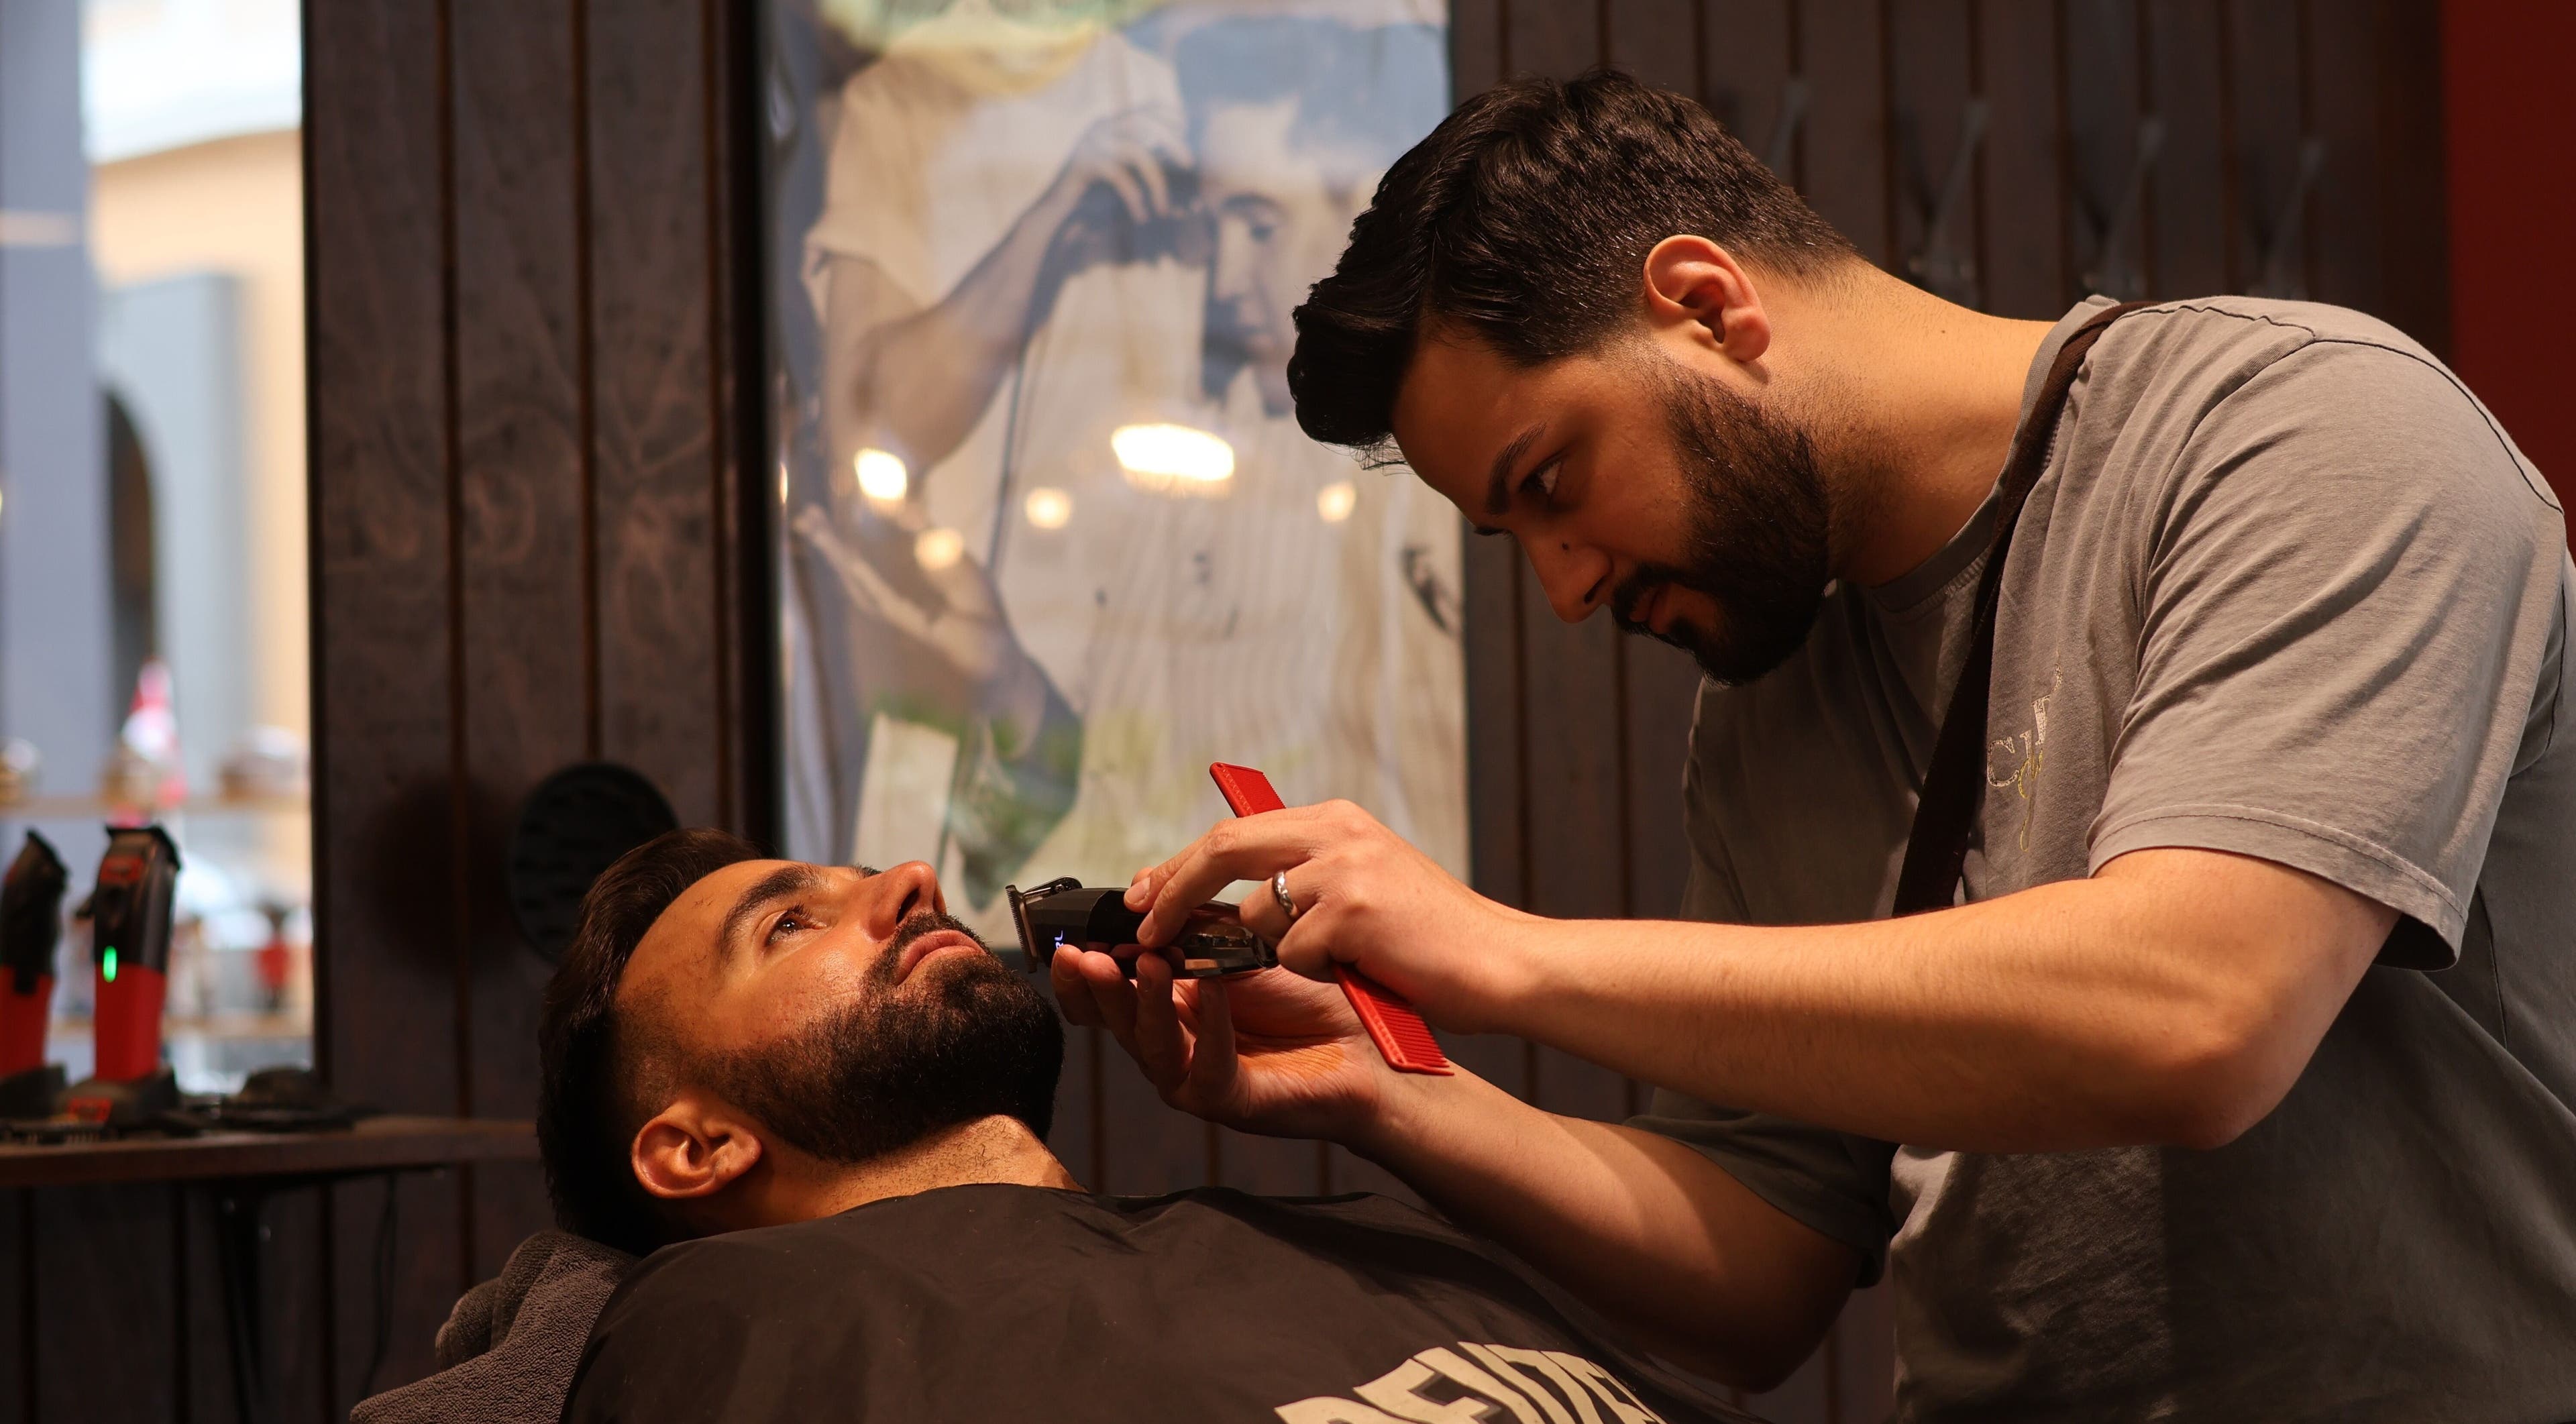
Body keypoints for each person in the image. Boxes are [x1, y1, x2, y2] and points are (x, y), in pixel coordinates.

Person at [1059, 70, 2576, 1420]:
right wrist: (1394, 1095)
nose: (1569, 588)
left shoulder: (2304, 433)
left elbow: (2199, 1012)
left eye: (1553, 480)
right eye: (1512, 535)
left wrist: (1497, 952)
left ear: (1707, 304)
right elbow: (1763, 1271)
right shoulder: (1768, 711)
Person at [521, 828, 1751, 1423]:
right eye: (789, 926)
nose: (910, 882)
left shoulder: (1364, 1232)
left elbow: (1751, 1322)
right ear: (695, 1147)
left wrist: (1384, 1088)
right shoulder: (719, 1333)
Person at [785, 5, 1462, 903]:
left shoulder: (1201, 89)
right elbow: (871, 438)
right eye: (1232, 228)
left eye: (1255, 227)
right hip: (1042, 795)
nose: (1224, 278)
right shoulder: (915, 103)